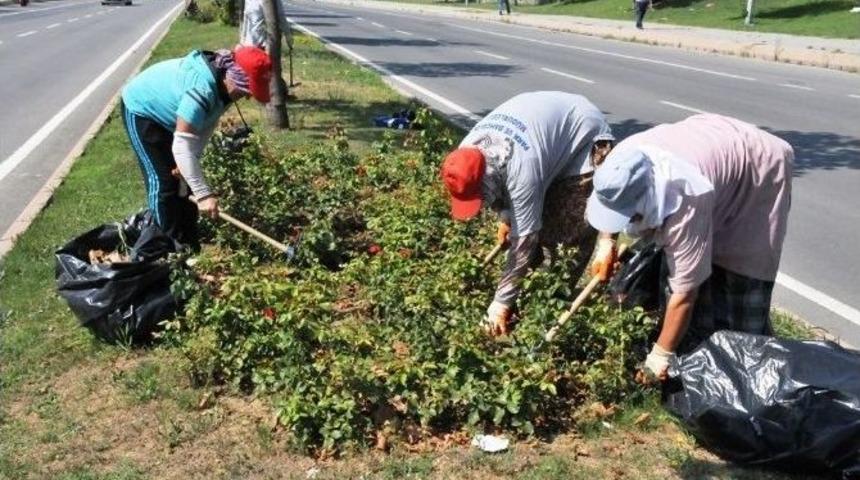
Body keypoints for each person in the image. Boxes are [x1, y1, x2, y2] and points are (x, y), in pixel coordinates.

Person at [585, 113, 793, 380]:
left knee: (740, 277)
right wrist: (606, 242)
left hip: (758, 169)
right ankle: (698, 349)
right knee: (689, 272)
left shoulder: (684, 197)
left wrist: (660, 355)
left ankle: (759, 375)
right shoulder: (620, 162)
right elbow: (613, 198)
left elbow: (684, 293)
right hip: (711, 143)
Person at [440, 91, 617, 336]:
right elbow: (499, 190)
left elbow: (525, 239)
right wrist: (505, 215)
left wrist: (500, 304)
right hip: (545, 133)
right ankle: (525, 296)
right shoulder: (466, 152)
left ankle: (551, 306)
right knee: (533, 227)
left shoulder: (522, 170)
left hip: (583, 135)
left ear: (487, 177)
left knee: (568, 234)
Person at [120, 47, 272, 248]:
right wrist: (204, 195)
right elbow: (182, 145)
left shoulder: (225, 88)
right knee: (163, 183)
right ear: (233, 77)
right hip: (142, 109)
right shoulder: (201, 91)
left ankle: (189, 245)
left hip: (174, 116)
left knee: (184, 185)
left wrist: (189, 168)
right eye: (245, 90)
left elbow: (204, 127)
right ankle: (165, 251)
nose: (247, 97)